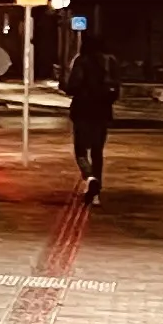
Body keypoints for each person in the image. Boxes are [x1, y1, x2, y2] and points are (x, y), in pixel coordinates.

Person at [63, 37, 115, 205]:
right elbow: (117, 89)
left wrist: (65, 86)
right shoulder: (111, 62)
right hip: (102, 112)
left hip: (83, 111)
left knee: (80, 151)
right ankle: (96, 194)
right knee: (97, 151)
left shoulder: (81, 61)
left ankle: (90, 177)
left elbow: (73, 86)